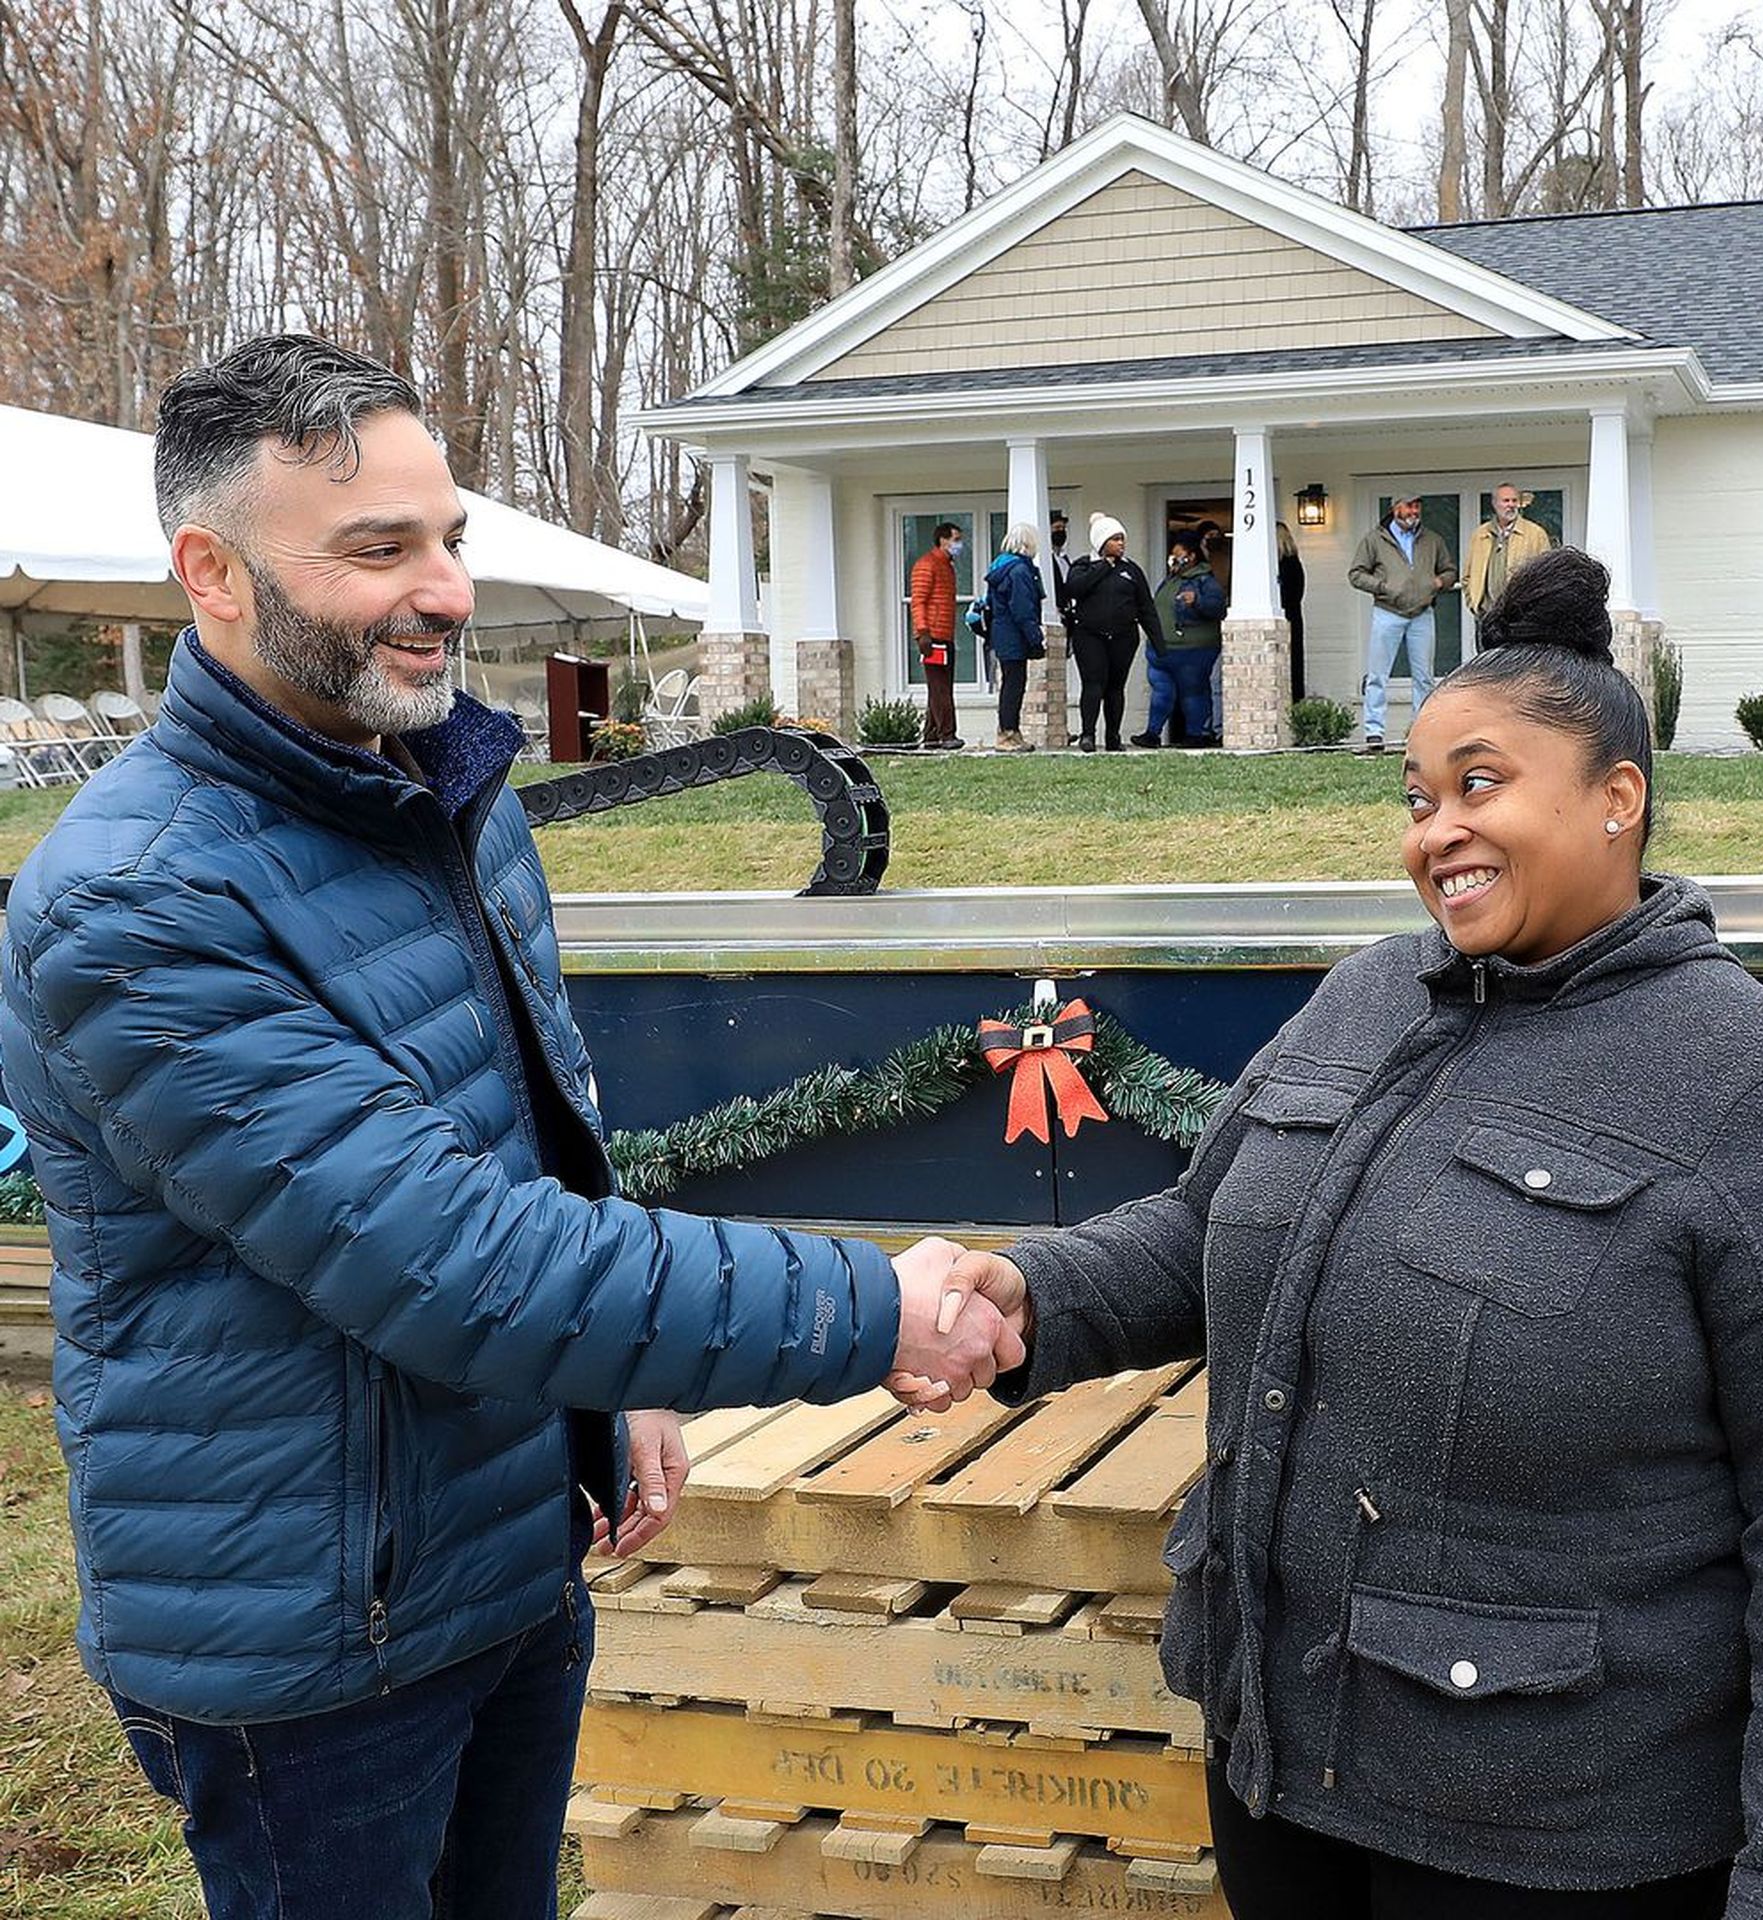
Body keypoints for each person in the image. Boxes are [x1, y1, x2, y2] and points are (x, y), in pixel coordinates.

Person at [0, 334, 1017, 1920]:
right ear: (210, 571)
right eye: (377, 549)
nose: (448, 589)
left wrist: (618, 1391)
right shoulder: (139, 906)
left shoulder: (437, 791)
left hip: (502, 1562)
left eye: (451, 534)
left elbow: (533, 1131)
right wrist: (872, 1305)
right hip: (313, 1644)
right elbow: (456, 1259)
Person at [912, 546, 1763, 1920]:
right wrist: (1028, 1291)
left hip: (1561, 1839)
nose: (1433, 830)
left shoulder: (1762, 1086)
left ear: (1618, 799)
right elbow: (1209, 1227)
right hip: (1284, 1772)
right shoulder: (1369, 994)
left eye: (1481, 785)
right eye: (1416, 797)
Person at [1348, 493, 1457, 750]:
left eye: (1417, 506)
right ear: (1395, 508)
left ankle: (1421, 733)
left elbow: (1449, 569)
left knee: (1423, 678)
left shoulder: (1432, 540)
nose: (1413, 511)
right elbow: (1356, 574)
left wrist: (1439, 582)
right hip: (1387, 613)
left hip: (1422, 614)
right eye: (1408, 505)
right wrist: (1383, 587)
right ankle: (1374, 734)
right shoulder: (1375, 540)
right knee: (1377, 675)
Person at [1064, 513, 1164, 753]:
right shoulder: (1083, 565)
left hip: (1123, 637)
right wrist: (1104, 566)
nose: (1121, 543)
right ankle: (1088, 734)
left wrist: (1159, 641)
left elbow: (1146, 607)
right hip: (1089, 636)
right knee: (1093, 684)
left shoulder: (1131, 570)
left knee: (1115, 687)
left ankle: (1113, 737)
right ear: (1101, 541)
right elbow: (1075, 589)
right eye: (1115, 539)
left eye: (1122, 539)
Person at [1135, 531, 1224, 748]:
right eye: (1172, 556)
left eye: (1179, 555)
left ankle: (1197, 734)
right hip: (1162, 650)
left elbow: (1218, 607)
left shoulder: (1206, 580)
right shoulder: (1171, 579)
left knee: (1193, 692)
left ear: (1192, 556)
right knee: (1161, 691)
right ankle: (1152, 733)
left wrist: (1197, 601)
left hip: (1192, 650)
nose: (1174, 559)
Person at [984, 522, 1045, 752]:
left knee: (1011, 683)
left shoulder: (1000, 566)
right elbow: (1023, 609)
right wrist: (1035, 638)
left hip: (1002, 633)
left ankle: (1011, 731)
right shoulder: (1019, 571)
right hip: (1014, 635)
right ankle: (1007, 733)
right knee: (1014, 685)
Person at [1464, 481, 1553, 633]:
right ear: (1494, 504)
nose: (1511, 505)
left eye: (1514, 501)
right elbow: (1467, 577)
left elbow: (1548, 577)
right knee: (1488, 657)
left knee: (1519, 657)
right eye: (1506, 501)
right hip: (1487, 616)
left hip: (1521, 617)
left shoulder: (1535, 534)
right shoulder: (1479, 535)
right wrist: (1474, 605)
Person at [909, 520, 966, 751]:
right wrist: (923, 633)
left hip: (944, 635)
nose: (959, 544)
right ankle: (947, 734)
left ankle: (932, 735)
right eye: (956, 539)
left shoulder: (947, 566)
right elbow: (918, 601)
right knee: (940, 687)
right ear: (942, 540)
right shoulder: (927, 565)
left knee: (940, 686)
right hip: (932, 636)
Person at [1277, 518, 1307, 704]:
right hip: (1293, 618)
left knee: (1290, 663)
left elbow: (1290, 595)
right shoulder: (1295, 564)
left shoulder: (1286, 565)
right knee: (1294, 664)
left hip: (1287, 618)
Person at [1049, 510, 1077, 640]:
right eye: (1057, 528)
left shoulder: (1064, 559)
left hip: (1068, 615)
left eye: (1063, 528)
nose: (1061, 531)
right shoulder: (1046, 559)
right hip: (1055, 616)